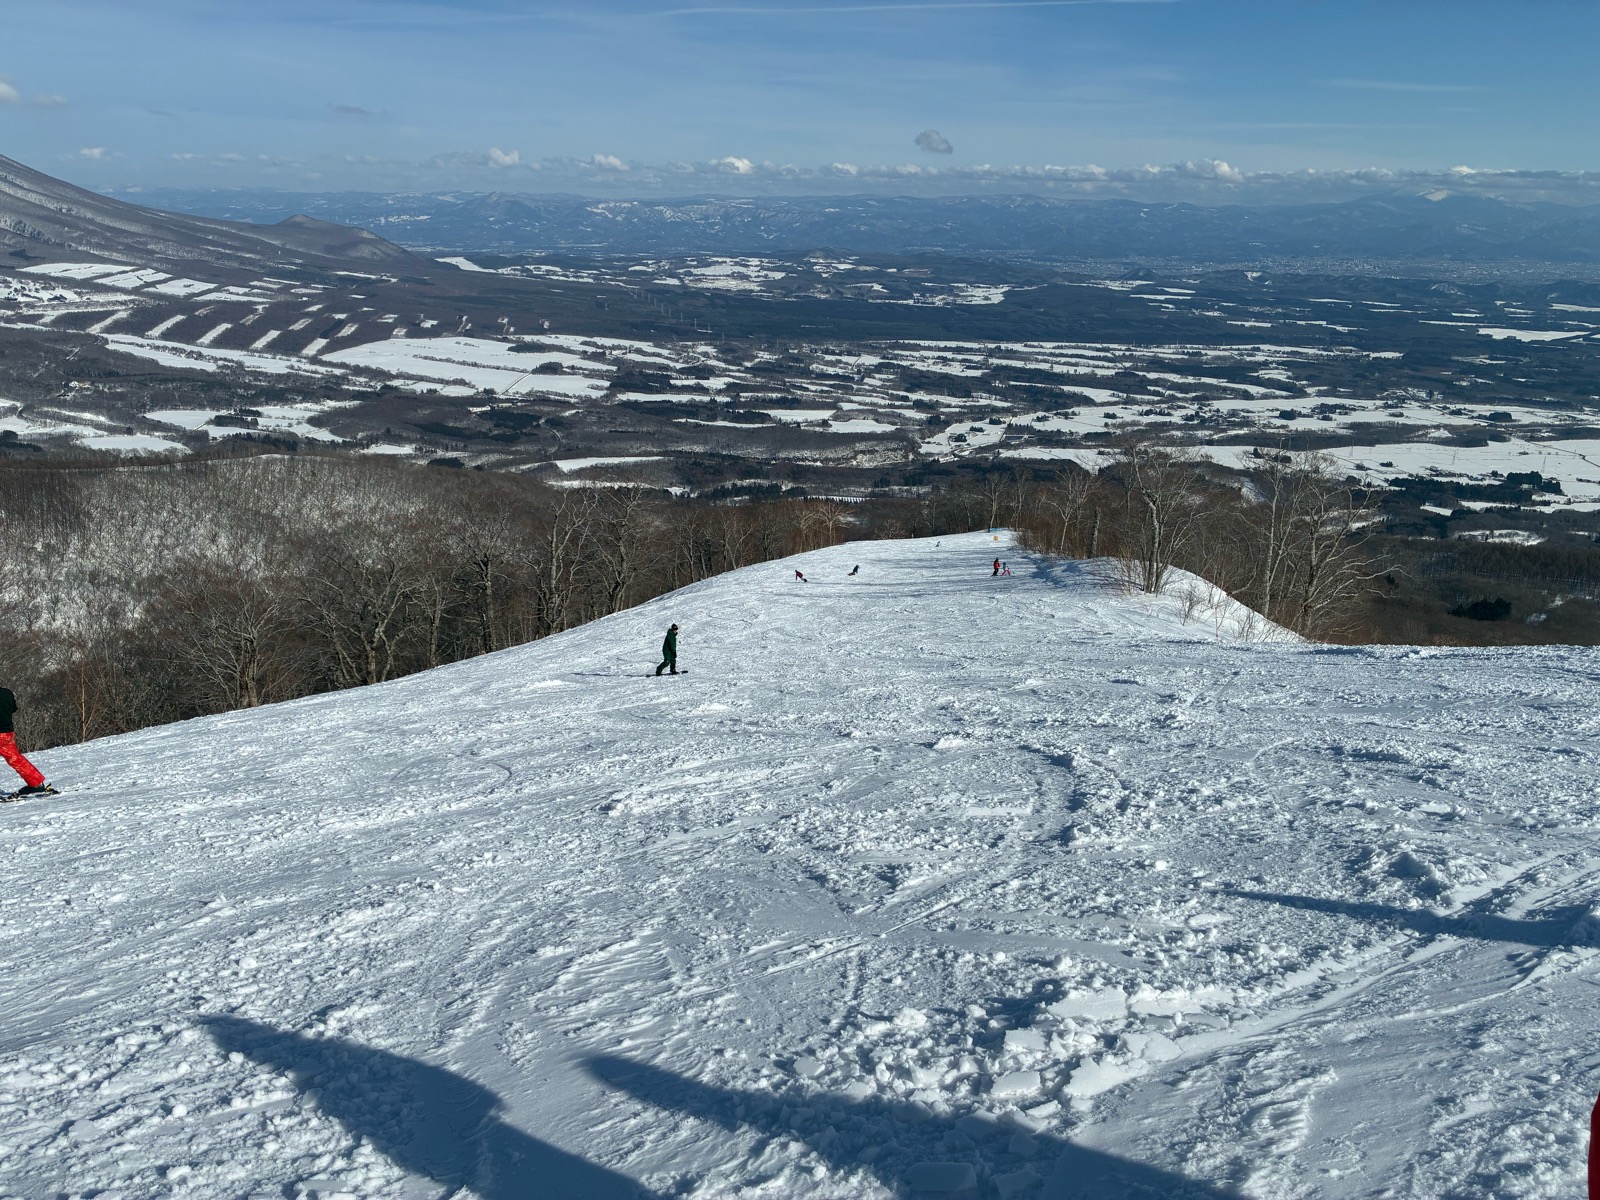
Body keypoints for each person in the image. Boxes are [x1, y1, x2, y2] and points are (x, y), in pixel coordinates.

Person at [0, 686, 50, 796]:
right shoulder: (7, 693)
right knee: (16, 759)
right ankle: (36, 784)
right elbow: (13, 708)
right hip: (7, 733)